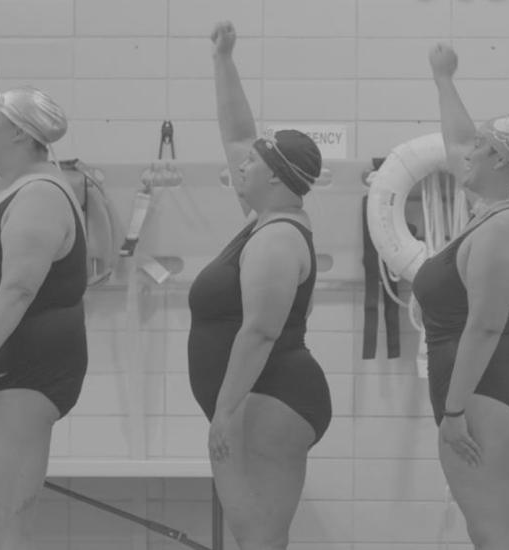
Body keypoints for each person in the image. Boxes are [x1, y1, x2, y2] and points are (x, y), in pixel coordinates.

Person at [187, 21, 332, 550]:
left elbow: (259, 333)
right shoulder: (264, 219)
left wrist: (225, 412)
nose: (239, 164)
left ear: (275, 177)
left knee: (259, 542)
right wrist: (223, 60)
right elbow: (236, 136)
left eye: (251, 163)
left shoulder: (277, 239)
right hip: (261, 398)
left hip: (269, 399)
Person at [411, 42, 509, 550]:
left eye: (479, 148)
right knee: (496, 534)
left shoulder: (503, 228)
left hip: (486, 395)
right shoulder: (492, 211)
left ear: (497, 158)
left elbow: (486, 326)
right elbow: (457, 143)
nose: (465, 153)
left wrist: (451, 413)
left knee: (495, 538)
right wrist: (443, 78)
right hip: (498, 389)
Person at [0, 39, 89, 550]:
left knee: (4, 518)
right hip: (5, 364)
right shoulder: (8, 182)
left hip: (27, 370)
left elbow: (19, 289)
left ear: (21, 136)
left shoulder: (40, 194)